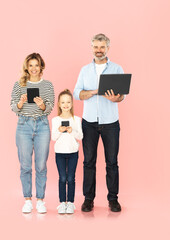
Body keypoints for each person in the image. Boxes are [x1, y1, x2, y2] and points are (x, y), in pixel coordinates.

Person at [73, 33, 125, 212]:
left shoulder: (117, 69)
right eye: (96, 47)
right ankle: (88, 199)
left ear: (108, 48)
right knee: (89, 162)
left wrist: (115, 98)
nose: (99, 50)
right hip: (89, 122)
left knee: (112, 162)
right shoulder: (85, 70)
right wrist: (96, 91)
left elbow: (122, 96)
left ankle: (113, 199)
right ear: (92, 48)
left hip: (111, 122)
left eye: (102, 47)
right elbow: (77, 93)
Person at [11, 53, 55, 214]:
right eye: (31, 65)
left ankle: (41, 200)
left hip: (42, 124)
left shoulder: (48, 85)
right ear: (27, 67)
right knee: (25, 165)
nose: (34, 68)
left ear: (41, 66)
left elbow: (50, 107)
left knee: (41, 165)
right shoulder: (18, 85)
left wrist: (42, 105)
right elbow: (13, 107)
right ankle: (27, 200)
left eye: (37, 65)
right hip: (24, 125)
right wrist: (21, 102)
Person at [51, 89, 83, 214]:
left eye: (68, 102)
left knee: (71, 178)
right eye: (63, 102)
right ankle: (62, 203)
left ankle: (70, 203)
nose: (66, 105)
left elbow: (80, 136)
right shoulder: (55, 120)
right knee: (62, 178)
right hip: (59, 153)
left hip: (73, 153)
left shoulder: (77, 119)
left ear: (72, 104)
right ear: (59, 104)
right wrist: (60, 130)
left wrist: (72, 131)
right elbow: (53, 138)